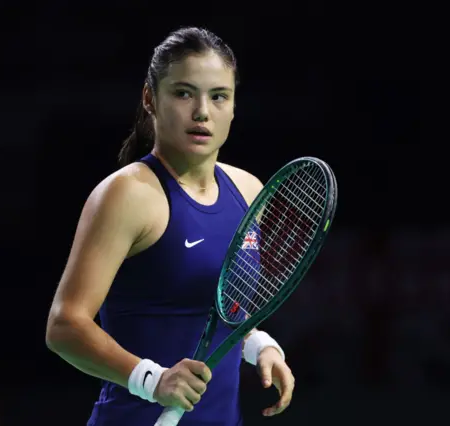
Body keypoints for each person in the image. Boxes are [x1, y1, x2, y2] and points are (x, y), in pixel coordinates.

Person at [45, 27, 295, 426]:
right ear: (150, 98)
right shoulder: (128, 195)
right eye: (183, 93)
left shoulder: (249, 193)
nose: (202, 112)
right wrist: (153, 379)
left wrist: (261, 345)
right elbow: (64, 326)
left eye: (218, 96)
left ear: (233, 107)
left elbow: (222, 314)